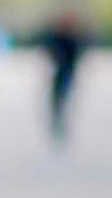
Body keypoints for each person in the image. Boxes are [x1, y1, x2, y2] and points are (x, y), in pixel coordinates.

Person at [37, 10, 90, 143]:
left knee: (63, 98)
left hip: (67, 72)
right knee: (58, 99)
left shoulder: (71, 38)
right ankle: (58, 124)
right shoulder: (58, 37)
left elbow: (77, 53)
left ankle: (61, 124)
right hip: (60, 72)